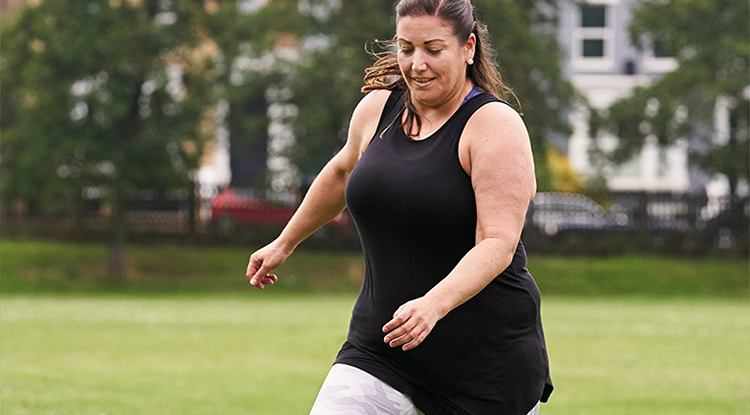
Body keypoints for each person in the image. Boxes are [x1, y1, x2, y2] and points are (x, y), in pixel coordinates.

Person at [246, 0, 553, 414]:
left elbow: (497, 242)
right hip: (383, 350)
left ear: (469, 48)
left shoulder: (494, 127)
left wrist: (433, 305)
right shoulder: (378, 109)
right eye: (406, 48)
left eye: (433, 48)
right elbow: (341, 173)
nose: (417, 64)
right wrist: (285, 242)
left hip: (485, 369)